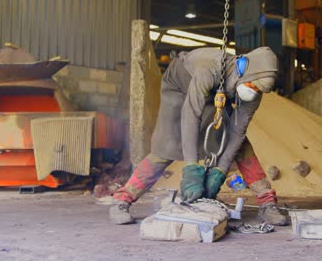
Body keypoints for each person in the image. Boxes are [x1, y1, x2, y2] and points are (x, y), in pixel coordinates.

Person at [109, 47, 287, 226]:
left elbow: (237, 131)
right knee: (168, 146)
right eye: (252, 86)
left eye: (258, 89)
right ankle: (122, 200)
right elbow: (191, 114)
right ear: (243, 72)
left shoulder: (253, 89)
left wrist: (220, 171)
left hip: (216, 94)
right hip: (180, 89)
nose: (253, 91)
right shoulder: (208, 68)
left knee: (241, 147)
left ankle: (267, 204)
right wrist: (191, 169)